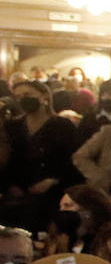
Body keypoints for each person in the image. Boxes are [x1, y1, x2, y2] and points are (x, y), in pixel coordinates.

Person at [10, 79, 79, 232]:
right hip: (18, 193)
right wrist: (11, 185)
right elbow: (8, 159)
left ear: (44, 97)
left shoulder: (62, 126)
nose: (23, 99)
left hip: (52, 192)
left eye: (27, 94)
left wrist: (52, 180)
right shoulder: (13, 126)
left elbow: (72, 159)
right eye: (18, 96)